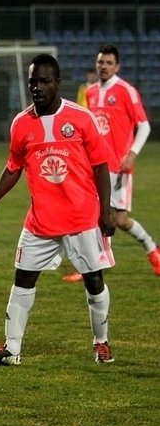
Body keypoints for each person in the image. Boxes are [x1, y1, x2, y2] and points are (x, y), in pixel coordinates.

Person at [0, 53, 116, 366]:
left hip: (81, 218)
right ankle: (12, 350)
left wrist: (105, 211)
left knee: (94, 281)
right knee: (22, 280)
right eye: (33, 82)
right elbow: (13, 168)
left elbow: (101, 166)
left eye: (44, 81)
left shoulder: (80, 118)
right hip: (41, 220)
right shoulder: (22, 124)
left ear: (57, 83)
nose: (37, 87)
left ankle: (101, 343)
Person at [62, 44, 159, 282]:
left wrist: (133, 153)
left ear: (117, 66)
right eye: (100, 62)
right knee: (91, 215)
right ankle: (90, 265)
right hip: (96, 166)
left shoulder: (126, 90)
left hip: (120, 166)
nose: (103, 66)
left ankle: (153, 251)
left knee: (120, 220)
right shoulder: (91, 92)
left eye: (108, 63)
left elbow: (144, 125)